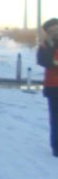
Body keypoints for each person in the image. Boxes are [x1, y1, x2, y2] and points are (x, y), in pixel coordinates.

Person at [37, 18, 58, 157]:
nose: (55, 31)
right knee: (56, 118)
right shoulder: (45, 45)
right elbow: (43, 61)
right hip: (54, 86)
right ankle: (56, 147)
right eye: (52, 29)